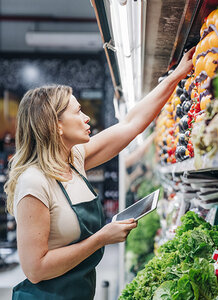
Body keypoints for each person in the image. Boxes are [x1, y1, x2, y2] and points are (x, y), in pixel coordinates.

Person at [4, 47, 195, 300]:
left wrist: (176, 76)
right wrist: (100, 238)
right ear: (56, 125)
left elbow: (130, 124)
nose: (86, 118)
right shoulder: (34, 182)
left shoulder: (74, 160)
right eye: (77, 112)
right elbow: (36, 269)